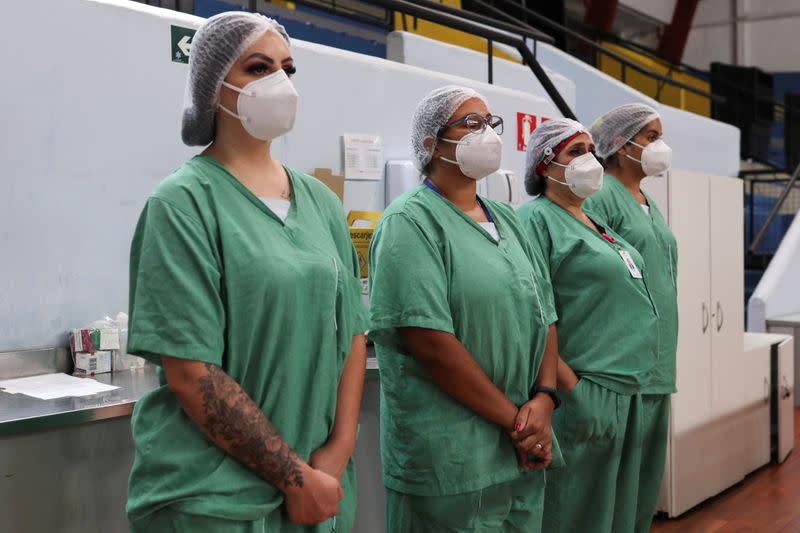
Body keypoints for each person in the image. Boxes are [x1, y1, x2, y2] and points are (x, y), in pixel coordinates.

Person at [125, 12, 368, 532]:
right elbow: (192, 372)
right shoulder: (184, 203)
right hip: (215, 497)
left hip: (318, 485)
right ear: (216, 86)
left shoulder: (321, 202)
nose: (278, 82)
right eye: (259, 67)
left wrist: (338, 450)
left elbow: (351, 331)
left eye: (287, 68)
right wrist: (292, 477)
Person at [368, 85, 562, 532]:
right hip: (452, 459)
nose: (487, 134)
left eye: (490, 124)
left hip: (521, 450)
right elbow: (431, 344)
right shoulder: (409, 223)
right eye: (471, 124)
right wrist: (519, 422)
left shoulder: (507, 219)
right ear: (430, 144)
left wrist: (545, 400)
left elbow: (545, 313)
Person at [517, 118, 659, 533]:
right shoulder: (537, 220)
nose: (590, 161)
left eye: (591, 152)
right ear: (545, 166)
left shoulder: (597, 224)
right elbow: (536, 311)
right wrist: (570, 385)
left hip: (626, 387)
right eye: (575, 152)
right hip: (584, 388)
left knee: (617, 513)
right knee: (577, 513)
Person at [585, 103, 678, 532]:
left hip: (656, 359)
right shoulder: (602, 196)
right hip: (622, 360)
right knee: (612, 486)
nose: (660, 147)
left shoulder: (646, 201)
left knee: (644, 480)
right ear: (621, 145)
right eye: (651, 137)